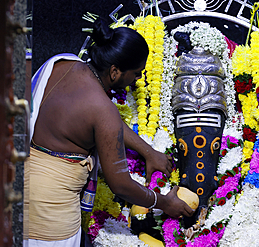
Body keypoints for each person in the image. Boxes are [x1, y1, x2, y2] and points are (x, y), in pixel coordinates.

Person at [24, 18, 194, 246]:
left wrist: (148, 151)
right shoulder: (103, 111)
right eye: (136, 73)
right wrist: (165, 202)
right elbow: (121, 185)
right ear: (115, 71)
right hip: (51, 214)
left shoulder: (61, 64)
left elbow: (101, 121)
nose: (138, 79)